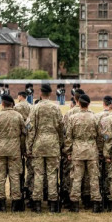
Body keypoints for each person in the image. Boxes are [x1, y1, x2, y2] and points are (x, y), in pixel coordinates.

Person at [26, 84, 64, 213]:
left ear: (41, 94)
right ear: (50, 94)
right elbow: (60, 128)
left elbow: (31, 129)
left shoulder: (35, 108)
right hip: (53, 143)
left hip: (39, 143)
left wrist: (29, 147)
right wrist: (60, 143)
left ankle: (37, 202)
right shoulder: (56, 108)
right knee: (52, 174)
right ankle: (53, 202)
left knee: (38, 174)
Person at [0, 95, 26, 212]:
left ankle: (1, 203)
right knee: (15, 176)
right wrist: (22, 149)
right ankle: (15, 203)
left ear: (2, 104)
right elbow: (24, 134)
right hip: (15, 150)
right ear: (12, 104)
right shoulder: (18, 116)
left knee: (0, 176)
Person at [64, 93, 101, 213]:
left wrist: (68, 151)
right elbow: (100, 137)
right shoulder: (95, 118)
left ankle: (74, 203)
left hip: (78, 150)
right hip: (91, 150)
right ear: (88, 104)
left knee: (76, 178)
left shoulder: (72, 118)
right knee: (94, 178)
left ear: (78, 103)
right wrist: (99, 150)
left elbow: (69, 137)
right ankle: (96, 203)